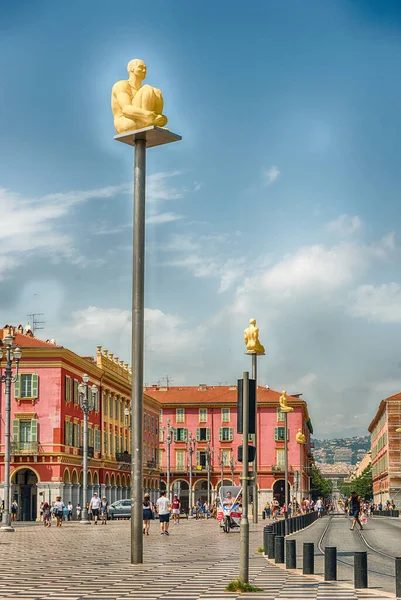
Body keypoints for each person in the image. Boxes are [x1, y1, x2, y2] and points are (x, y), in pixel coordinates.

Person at [111, 59, 168, 134]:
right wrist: (146, 115)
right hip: (126, 122)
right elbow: (126, 109)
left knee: (157, 91)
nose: (144, 70)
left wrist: (160, 118)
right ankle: (148, 122)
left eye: (145, 68)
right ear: (132, 69)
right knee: (147, 88)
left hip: (140, 119)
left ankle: (154, 121)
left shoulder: (141, 90)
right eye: (140, 67)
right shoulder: (121, 85)